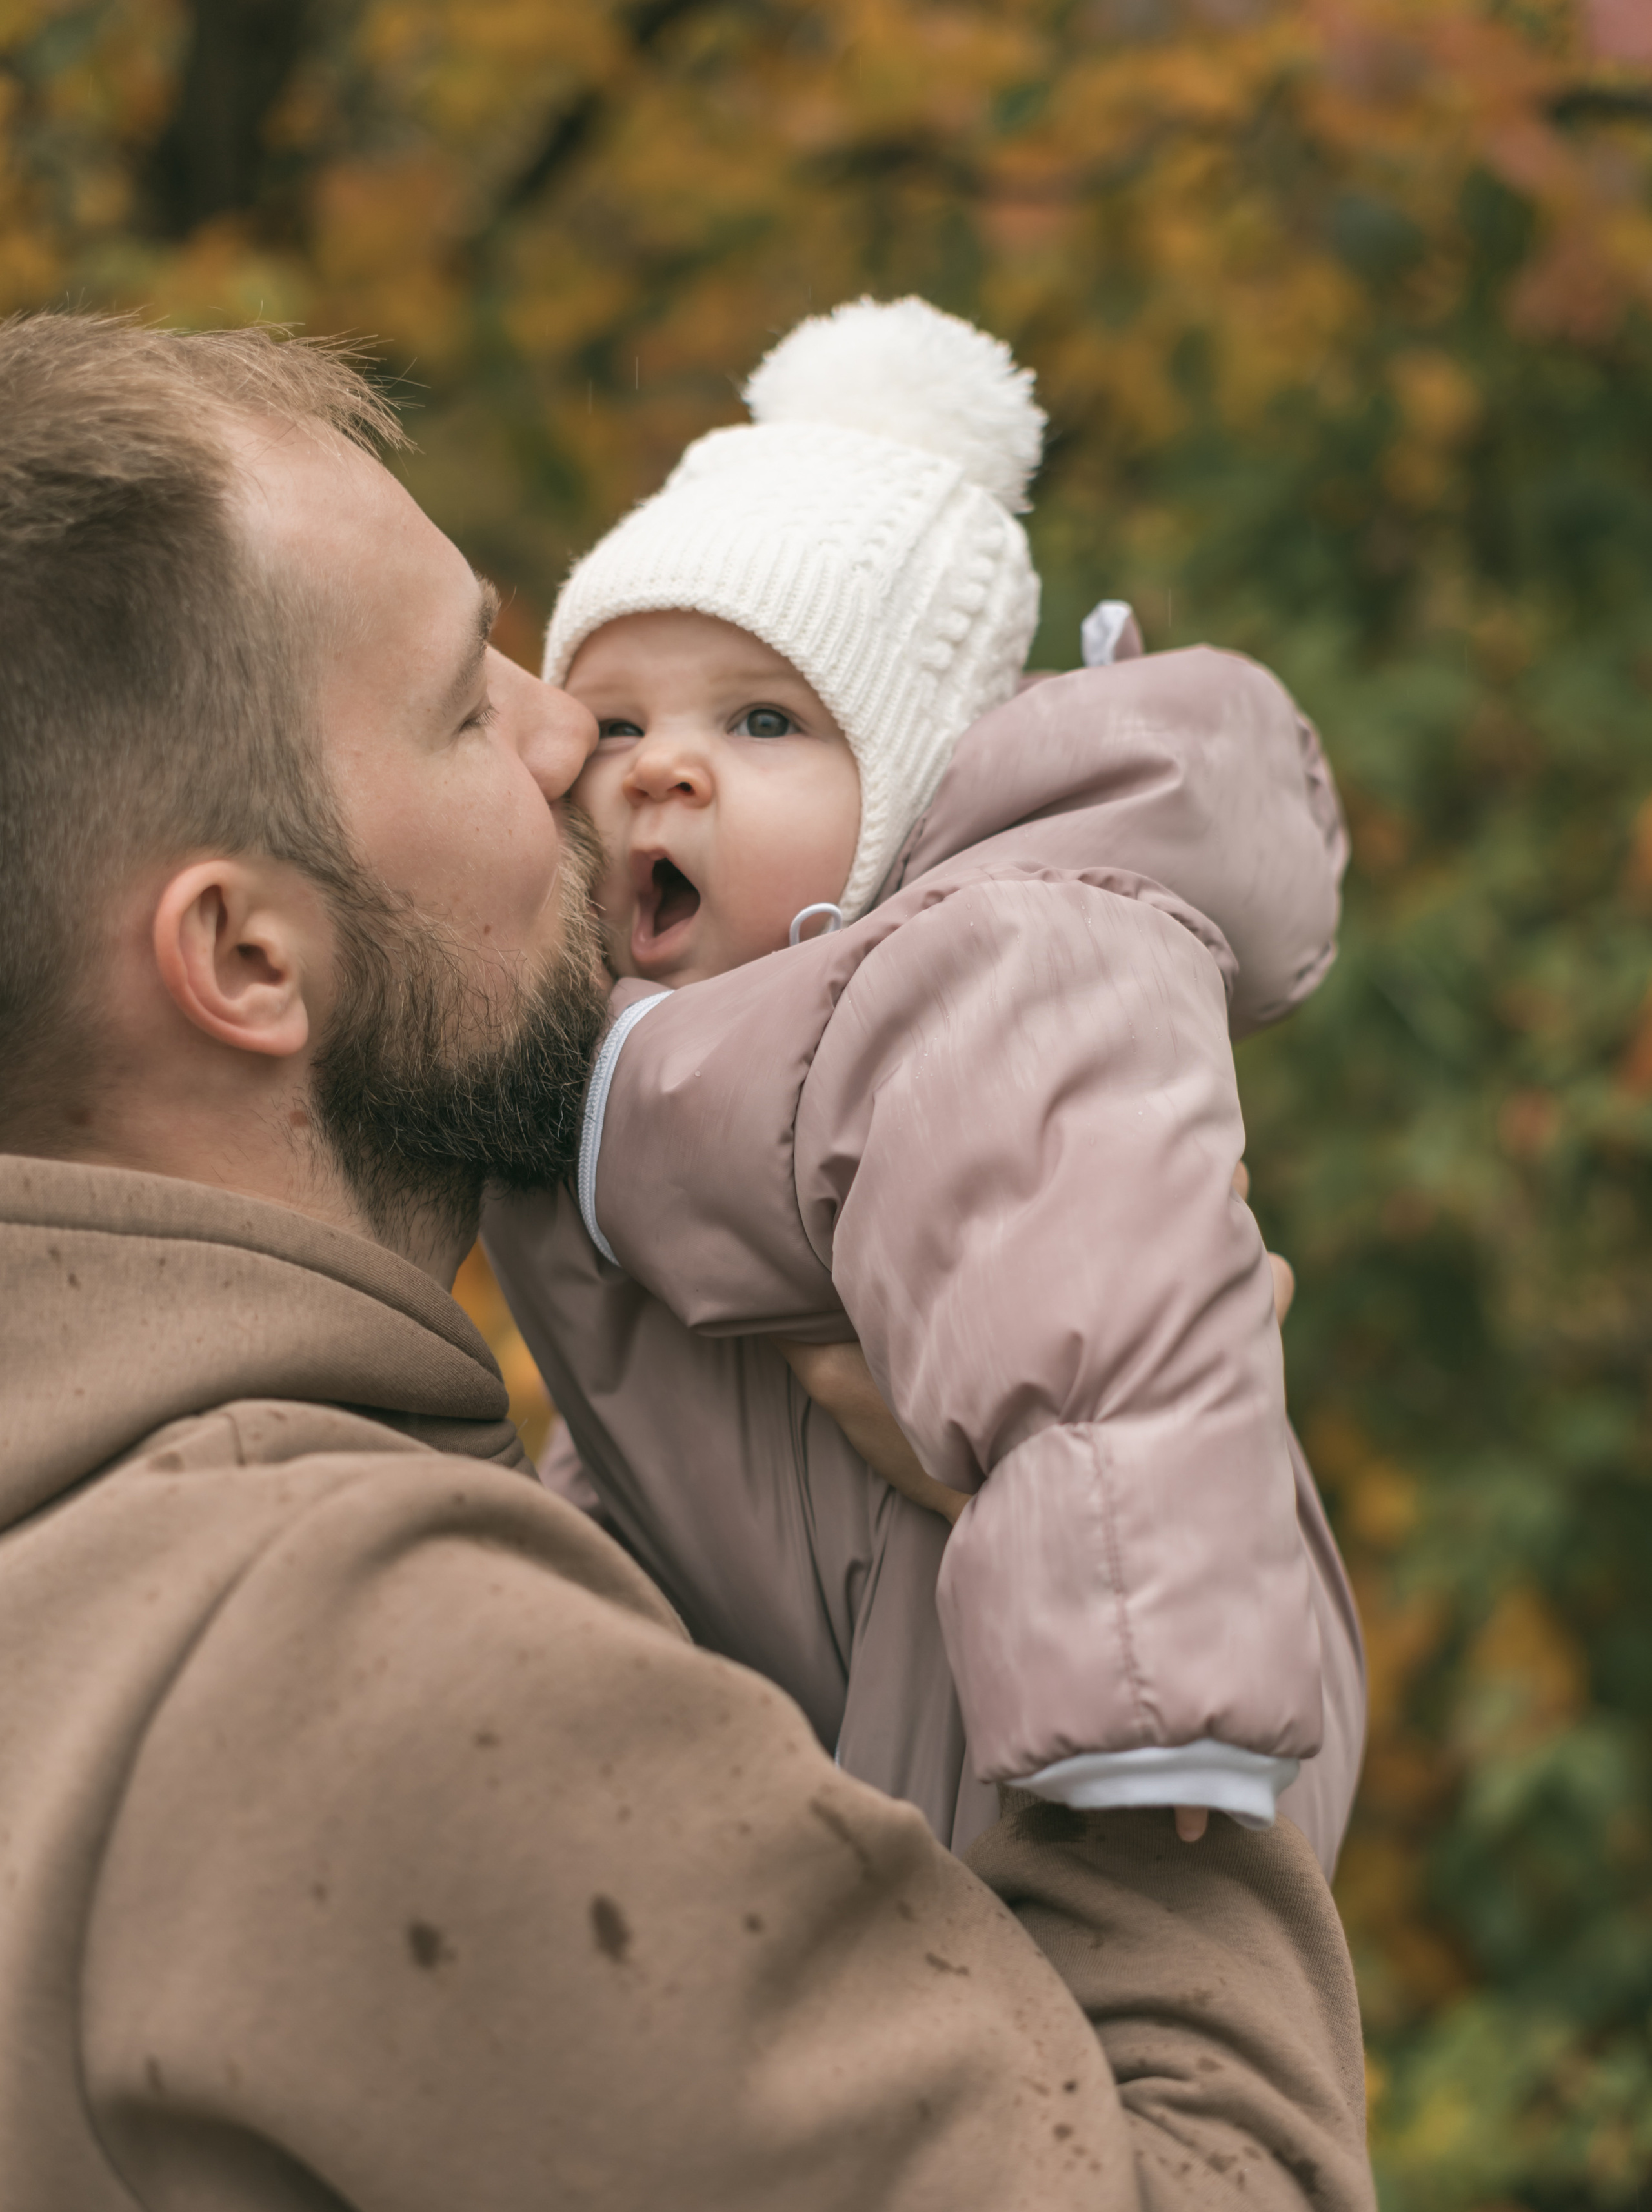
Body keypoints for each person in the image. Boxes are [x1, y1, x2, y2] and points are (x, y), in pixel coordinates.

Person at [0, 308, 1388, 2212]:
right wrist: (1086, 1620)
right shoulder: (366, 1665)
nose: (581, 744)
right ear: (248, 961)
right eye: (470, 701)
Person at [483, 297, 1367, 1869]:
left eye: (762, 722)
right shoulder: (607, 1070)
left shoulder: (1001, 970)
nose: (657, 769)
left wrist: (1144, 1686)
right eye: (613, 721)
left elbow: (1101, 1334)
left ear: (905, 808)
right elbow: (659, 1438)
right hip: (867, 1731)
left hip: (1106, 1729)